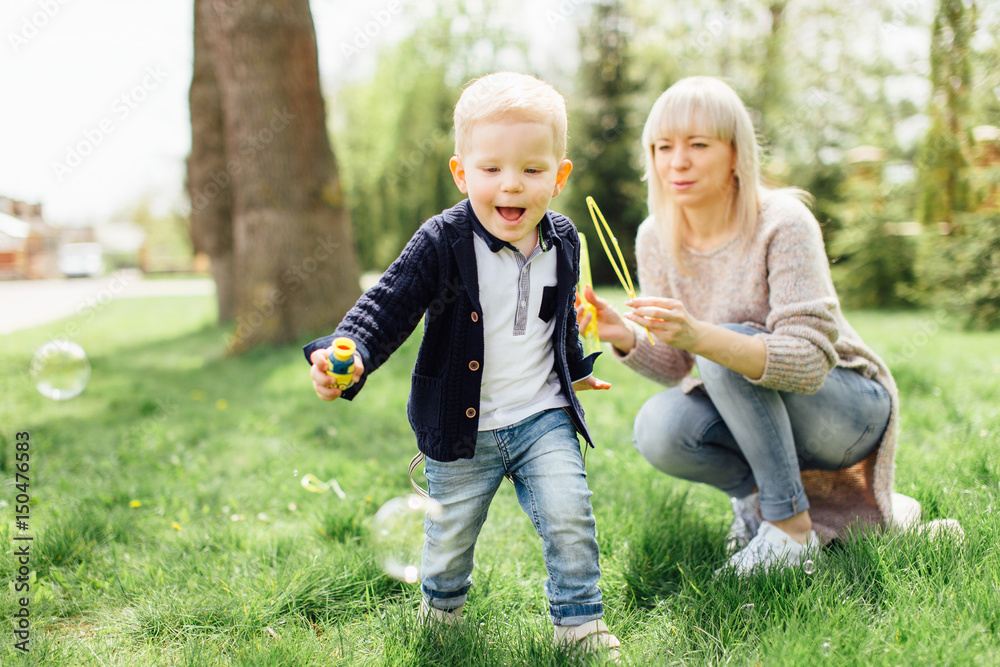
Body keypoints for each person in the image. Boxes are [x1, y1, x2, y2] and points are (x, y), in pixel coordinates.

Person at [305, 72, 620, 656]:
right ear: (461, 172)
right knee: (448, 539)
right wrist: (346, 355)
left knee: (569, 515)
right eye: (492, 168)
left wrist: (575, 372)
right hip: (460, 424)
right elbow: (387, 305)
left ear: (559, 175)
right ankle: (442, 612)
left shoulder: (564, 240)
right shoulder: (442, 241)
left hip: (541, 416)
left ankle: (579, 623)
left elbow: (559, 319)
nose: (512, 186)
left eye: (532, 170)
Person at [579, 76, 903, 575]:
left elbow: (811, 363)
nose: (677, 162)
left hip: (847, 411)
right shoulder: (656, 236)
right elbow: (678, 366)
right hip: (752, 402)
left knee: (725, 351)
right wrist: (623, 333)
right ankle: (766, 511)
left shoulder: (783, 222)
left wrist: (705, 338)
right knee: (659, 428)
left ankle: (790, 530)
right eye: (663, 147)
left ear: (735, 154)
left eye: (697, 145)